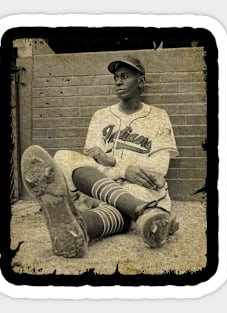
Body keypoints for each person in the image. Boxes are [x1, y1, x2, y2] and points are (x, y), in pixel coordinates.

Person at [21, 55, 179, 258]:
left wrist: (111, 162)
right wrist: (123, 170)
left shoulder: (158, 116)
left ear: (140, 81)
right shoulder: (101, 116)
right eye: (116, 78)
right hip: (101, 185)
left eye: (125, 76)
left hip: (139, 187)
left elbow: (158, 168)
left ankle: (81, 227)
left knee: (123, 204)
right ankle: (143, 212)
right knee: (63, 156)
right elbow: (90, 163)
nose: (119, 81)